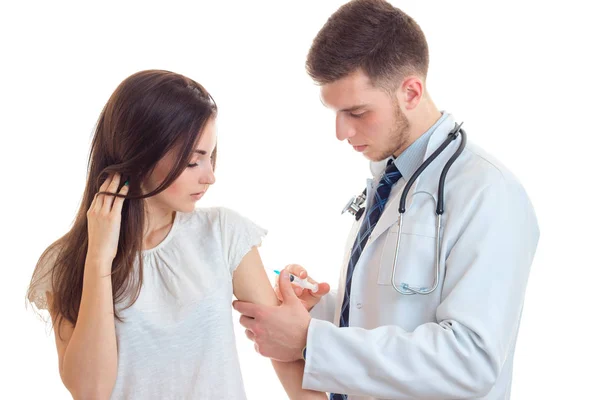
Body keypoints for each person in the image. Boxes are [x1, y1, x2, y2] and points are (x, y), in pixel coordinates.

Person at [232, 1, 540, 399]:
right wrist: (316, 312)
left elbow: (471, 360)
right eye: (335, 112)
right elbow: (387, 316)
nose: (341, 132)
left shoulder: (489, 193)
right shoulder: (391, 180)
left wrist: (311, 341)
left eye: (357, 112)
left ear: (411, 91)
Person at [26, 69, 326, 400]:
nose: (210, 177)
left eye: (210, 157)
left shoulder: (223, 233)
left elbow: (283, 355)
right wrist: (99, 257)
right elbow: (91, 390)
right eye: (193, 162)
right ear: (139, 154)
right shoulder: (64, 262)